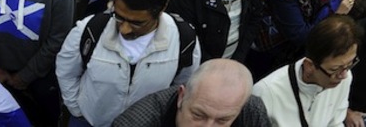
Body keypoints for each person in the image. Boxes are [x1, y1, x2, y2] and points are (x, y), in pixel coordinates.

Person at [57, 0, 200, 127]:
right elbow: (66, 71)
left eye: (137, 23)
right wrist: (77, 111)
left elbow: (182, 87)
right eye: (118, 17)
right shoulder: (89, 30)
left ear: (161, 9)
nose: (124, 29)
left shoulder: (184, 40)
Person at [253, 15, 361, 127]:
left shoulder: (345, 77)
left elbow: (335, 122)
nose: (343, 75)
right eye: (334, 69)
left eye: (350, 64)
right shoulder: (265, 93)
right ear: (309, 66)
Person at [111, 58, 270, 127]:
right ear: (182, 96)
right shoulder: (135, 123)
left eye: (222, 121)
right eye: (198, 115)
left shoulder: (252, 111)